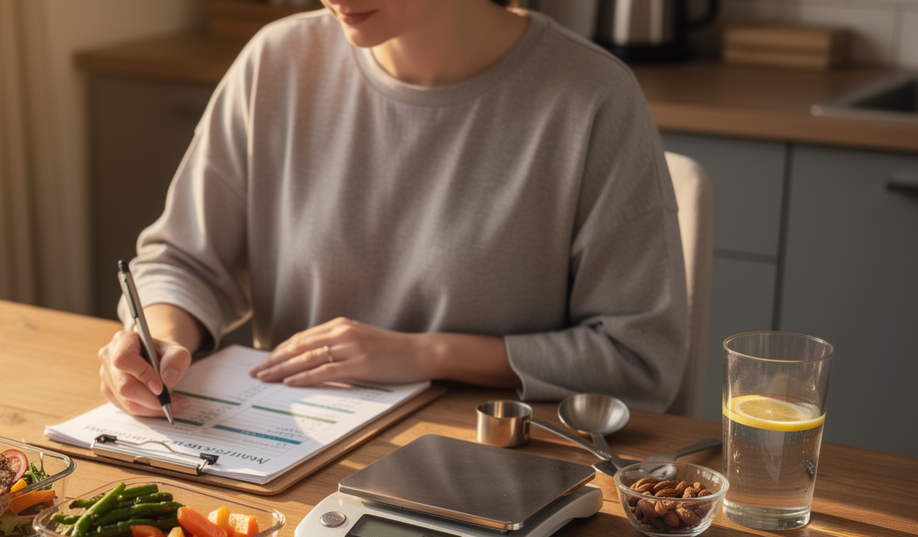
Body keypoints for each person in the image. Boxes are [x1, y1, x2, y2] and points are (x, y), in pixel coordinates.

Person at [99, 0, 687, 420]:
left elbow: (637, 357)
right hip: (287, 460)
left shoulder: (593, 99)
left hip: (492, 461)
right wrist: (161, 341)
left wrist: (424, 354)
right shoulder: (276, 61)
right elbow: (184, 260)